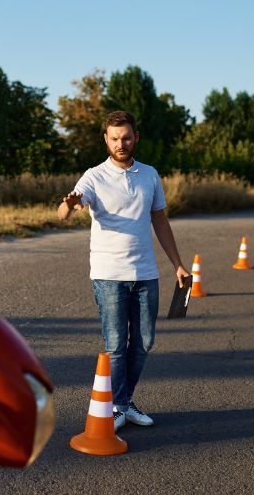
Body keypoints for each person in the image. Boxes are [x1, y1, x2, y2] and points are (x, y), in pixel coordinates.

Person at [57, 110, 189, 431]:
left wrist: (178, 265)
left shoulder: (149, 175)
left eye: (126, 137)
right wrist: (70, 204)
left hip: (145, 273)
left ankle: (123, 401)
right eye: (114, 138)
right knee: (115, 343)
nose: (121, 143)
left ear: (135, 138)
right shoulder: (93, 177)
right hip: (109, 274)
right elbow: (65, 212)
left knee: (144, 341)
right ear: (106, 139)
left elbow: (160, 220)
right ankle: (117, 405)